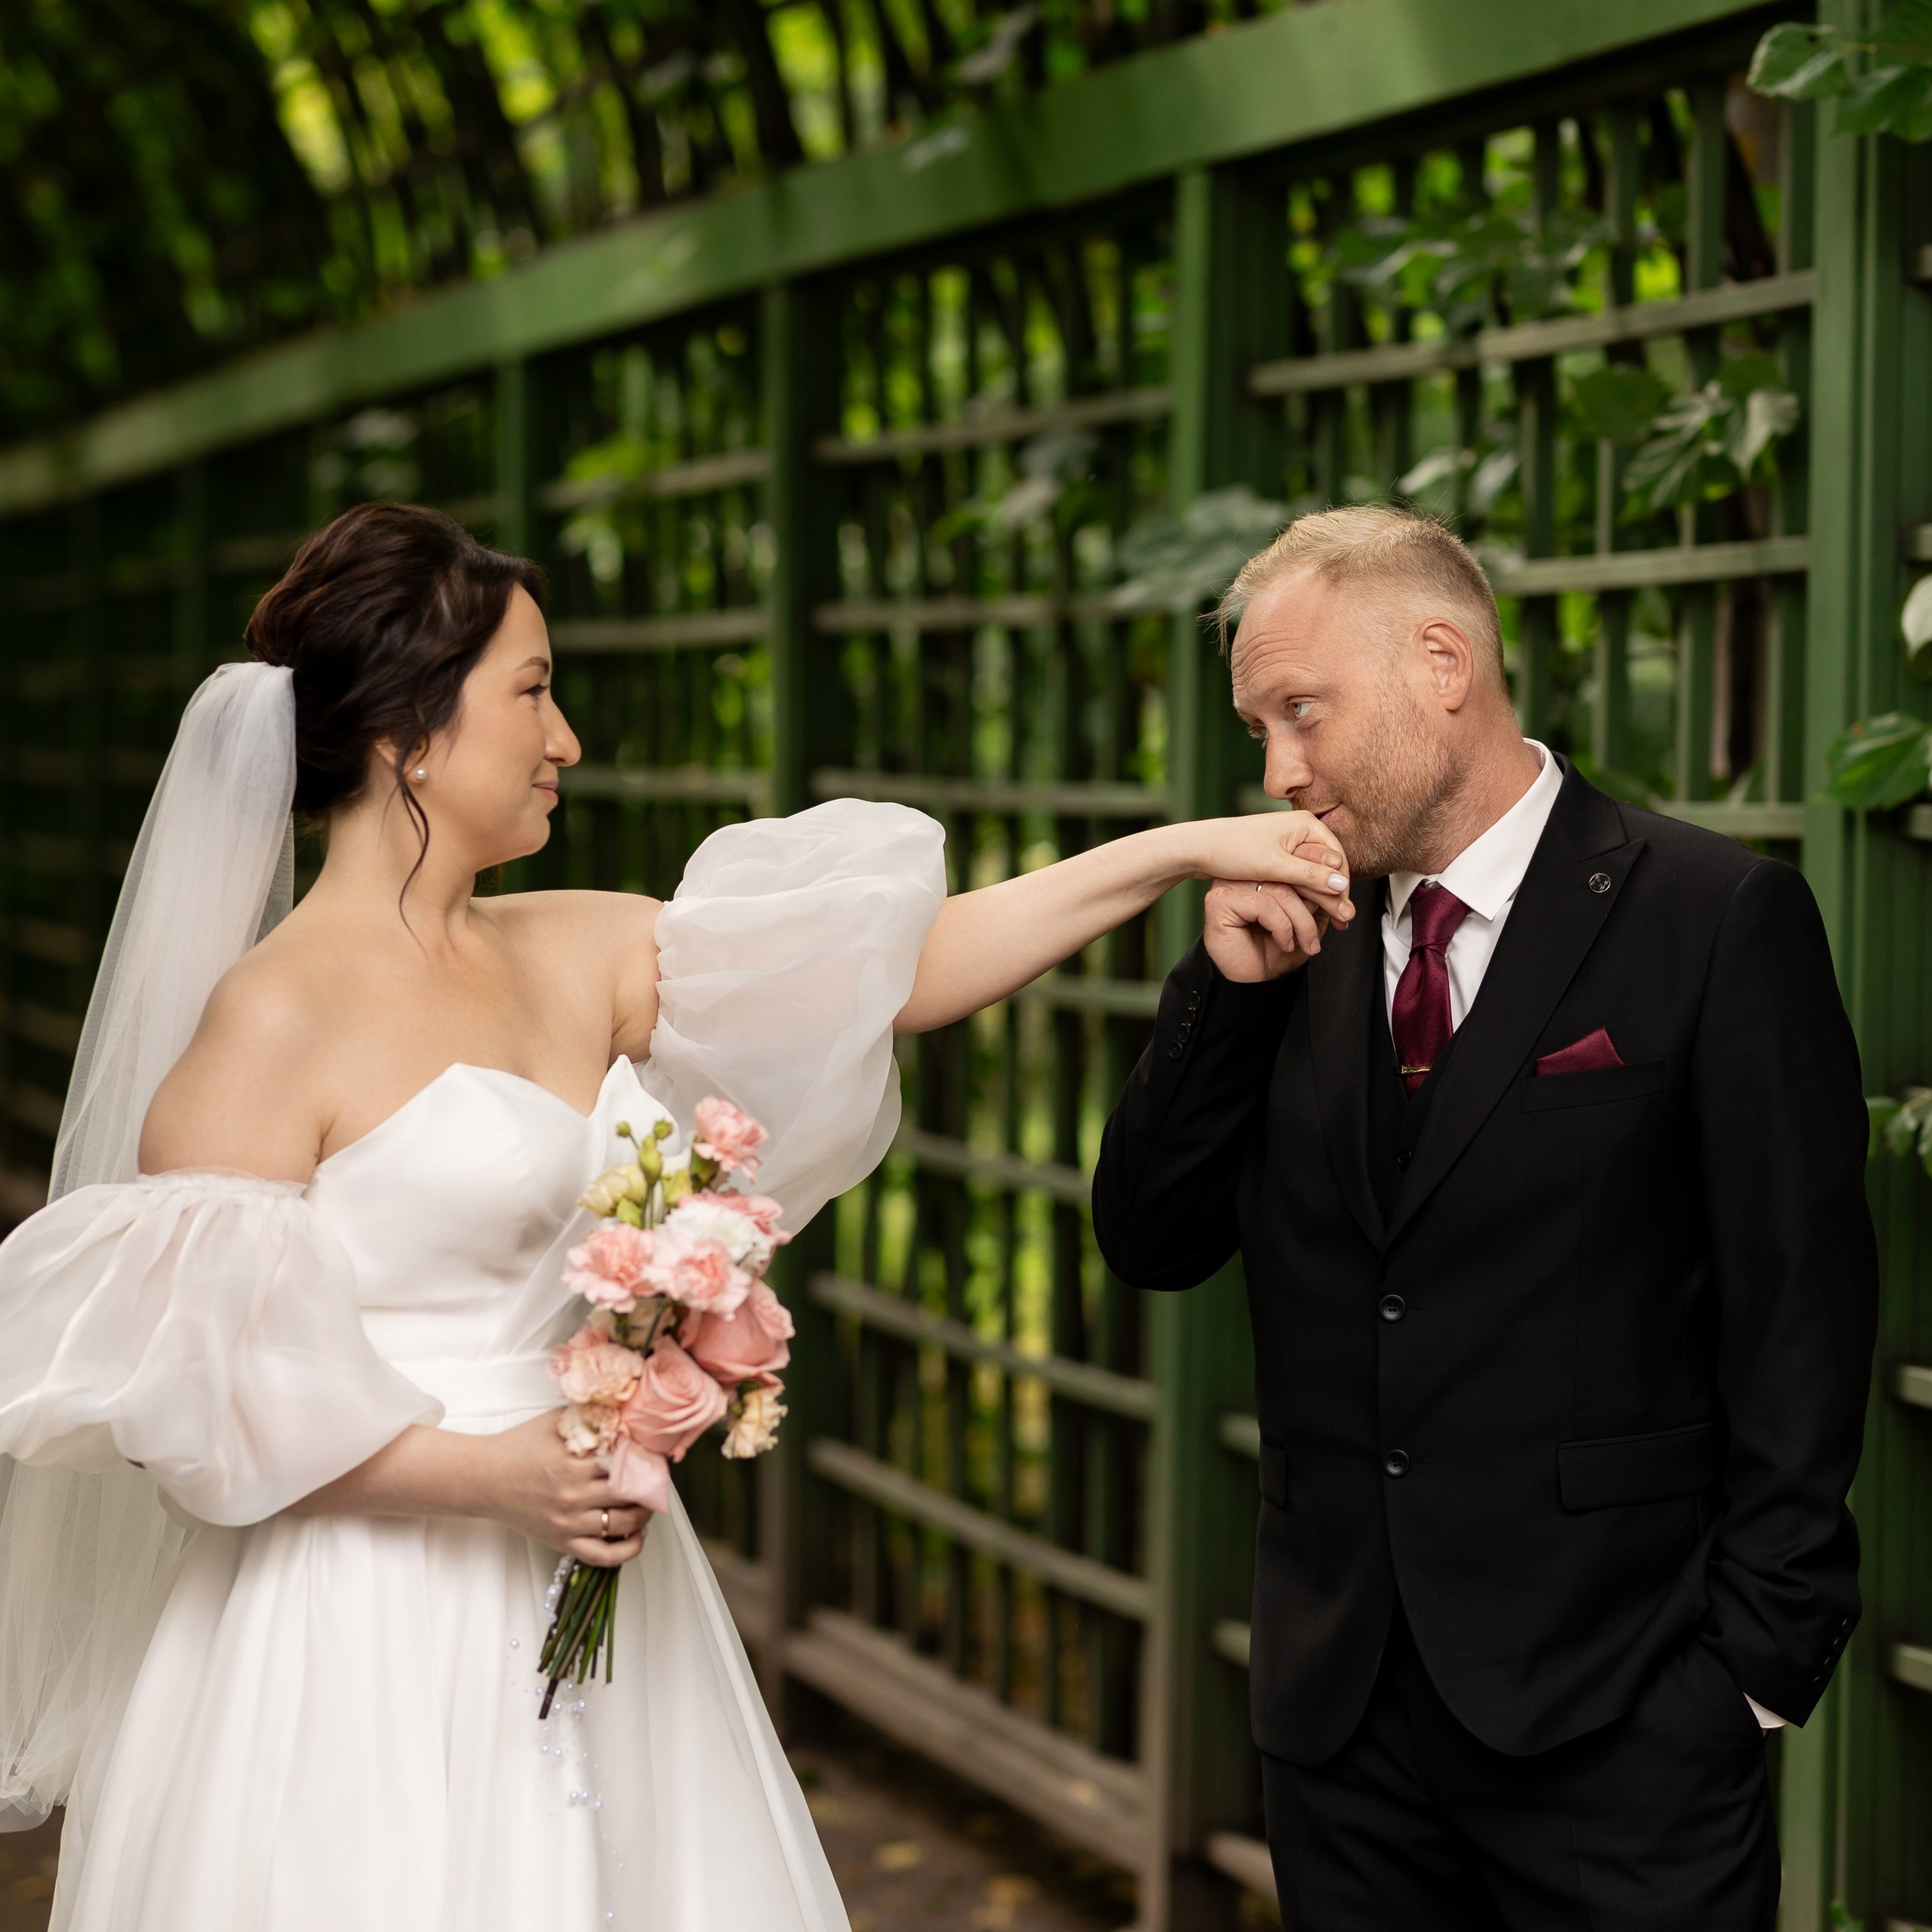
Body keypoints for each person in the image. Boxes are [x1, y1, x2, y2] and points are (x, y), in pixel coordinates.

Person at [0, 502, 1351, 1932]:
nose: (565, 734)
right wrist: (493, 1479)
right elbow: (198, 1399)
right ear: (408, 727)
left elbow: (905, 969)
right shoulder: (270, 1019)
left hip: (602, 1591)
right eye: (530, 689)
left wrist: (1179, 854)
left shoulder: (571, 944)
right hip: (354, 1626)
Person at [1092, 503, 1878, 1930]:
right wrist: (1222, 999)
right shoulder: (1296, 935)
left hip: (1625, 1724)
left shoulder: (1715, 918)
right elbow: (1150, 1241)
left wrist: (1749, 1677)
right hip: (1342, 1727)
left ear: (1440, 661)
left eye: (1301, 713)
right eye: (1259, 726)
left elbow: (1803, 1310)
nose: (1276, 770)